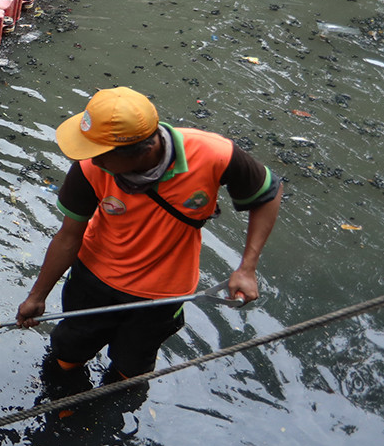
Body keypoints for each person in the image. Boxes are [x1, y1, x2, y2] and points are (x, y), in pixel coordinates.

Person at [16, 86, 282, 387]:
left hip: (163, 295)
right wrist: (37, 297)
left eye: (99, 154)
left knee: (130, 373)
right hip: (93, 281)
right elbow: (68, 236)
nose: (90, 159)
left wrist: (247, 267)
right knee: (66, 358)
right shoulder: (89, 167)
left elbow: (268, 194)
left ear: (142, 151)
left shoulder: (213, 155)